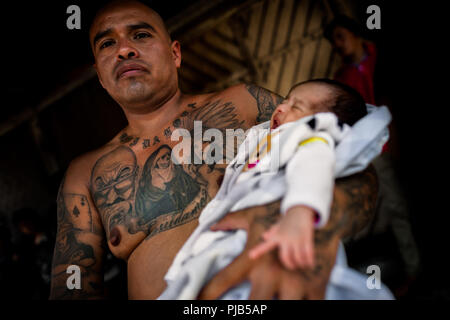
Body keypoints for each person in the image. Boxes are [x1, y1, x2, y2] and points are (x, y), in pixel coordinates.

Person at [50, 0, 380, 300]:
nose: (124, 50)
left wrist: (304, 221)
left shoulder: (245, 104)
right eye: (108, 43)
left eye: (140, 35)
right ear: (100, 76)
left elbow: (352, 165)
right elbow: (72, 284)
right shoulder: (85, 174)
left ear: (175, 53)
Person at [159, 79, 393, 299]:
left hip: (285, 231)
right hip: (232, 238)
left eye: (296, 106)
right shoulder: (262, 139)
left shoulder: (309, 135)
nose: (280, 108)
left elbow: (313, 162)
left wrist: (300, 211)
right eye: (285, 101)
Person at [324, 15, 377, 105]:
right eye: (333, 41)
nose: (337, 44)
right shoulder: (341, 77)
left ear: (354, 32)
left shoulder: (378, 56)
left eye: (340, 36)